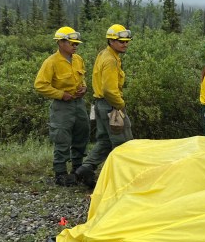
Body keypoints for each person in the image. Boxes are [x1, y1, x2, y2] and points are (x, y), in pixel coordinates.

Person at [75, 24, 133, 189]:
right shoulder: (110, 60)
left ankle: (86, 169)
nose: (125, 44)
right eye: (121, 41)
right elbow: (109, 89)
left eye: (126, 41)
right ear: (111, 41)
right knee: (124, 143)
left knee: (105, 142)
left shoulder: (105, 54)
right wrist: (120, 105)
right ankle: (123, 180)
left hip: (101, 105)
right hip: (111, 106)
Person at [34, 27, 90, 186]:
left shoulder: (78, 59)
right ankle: (60, 173)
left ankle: (77, 170)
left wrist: (84, 88)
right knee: (62, 138)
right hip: (62, 106)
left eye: (76, 43)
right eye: (71, 43)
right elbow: (40, 85)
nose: (75, 46)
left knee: (82, 134)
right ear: (60, 42)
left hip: (78, 104)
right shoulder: (51, 62)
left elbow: (82, 78)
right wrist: (60, 94)